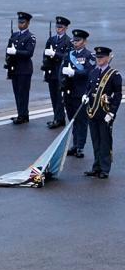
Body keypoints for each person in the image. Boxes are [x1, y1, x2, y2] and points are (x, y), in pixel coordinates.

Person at [83, 47, 122, 179]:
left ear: (107, 58)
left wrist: (111, 113)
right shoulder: (93, 72)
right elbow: (89, 88)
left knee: (104, 141)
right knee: (95, 141)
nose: (98, 60)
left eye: (101, 58)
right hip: (93, 112)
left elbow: (117, 96)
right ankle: (96, 167)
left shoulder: (114, 75)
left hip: (105, 113)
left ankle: (105, 169)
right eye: (97, 58)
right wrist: (85, 96)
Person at [61, 29, 95, 158]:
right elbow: (62, 72)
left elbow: (90, 71)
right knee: (72, 120)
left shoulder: (89, 56)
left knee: (81, 121)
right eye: (74, 41)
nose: (76, 43)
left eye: (78, 41)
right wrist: (62, 87)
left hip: (81, 93)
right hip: (69, 91)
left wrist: (75, 73)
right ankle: (75, 145)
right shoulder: (68, 55)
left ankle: (80, 146)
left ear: (84, 42)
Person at [42, 15, 73, 129]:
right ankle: (57, 117)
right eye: (57, 27)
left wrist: (55, 54)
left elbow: (67, 56)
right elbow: (45, 55)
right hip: (52, 72)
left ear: (65, 28)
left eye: (60, 27)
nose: (58, 29)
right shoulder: (51, 39)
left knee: (60, 97)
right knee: (53, 96)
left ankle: (59, 119)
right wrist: (45, 69)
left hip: (60, 73)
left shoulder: (68, 41)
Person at [7, 11, 37, 124]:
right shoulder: (14, 35)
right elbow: (9, 49)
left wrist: (16, 52)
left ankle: (24, 115)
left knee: (23, 93)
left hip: (24, 69)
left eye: (23, 22)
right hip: (15, 68)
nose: (20, 24)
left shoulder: (30, 37)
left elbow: (29, 53)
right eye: (19, 22)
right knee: (17, 92)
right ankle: (20, 113)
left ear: (28, 23)